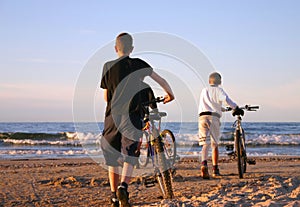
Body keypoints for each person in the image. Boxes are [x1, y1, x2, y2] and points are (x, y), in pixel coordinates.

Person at [100, 32, 174, 207]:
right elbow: (161, 80)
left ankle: (113, 197)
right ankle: (123, 187)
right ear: (132, 49)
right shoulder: (139, 64)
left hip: (112, 115)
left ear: (115, 48)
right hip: (132, 115)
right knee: (129, 155)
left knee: (112, 157)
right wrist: (170, 95)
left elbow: (106, 97)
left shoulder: (107, 66)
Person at [198, 72, 243, 179]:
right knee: (214, 144)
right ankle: (215, 169)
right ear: (219, 81)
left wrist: (221, 108)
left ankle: (204, 164)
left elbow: (210, 103)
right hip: (214, 117)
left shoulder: (204, 90)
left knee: (205, 143)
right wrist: (235, 107)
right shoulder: (219, 90)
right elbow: (226, 100)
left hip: (202, 117)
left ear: (209, 81)